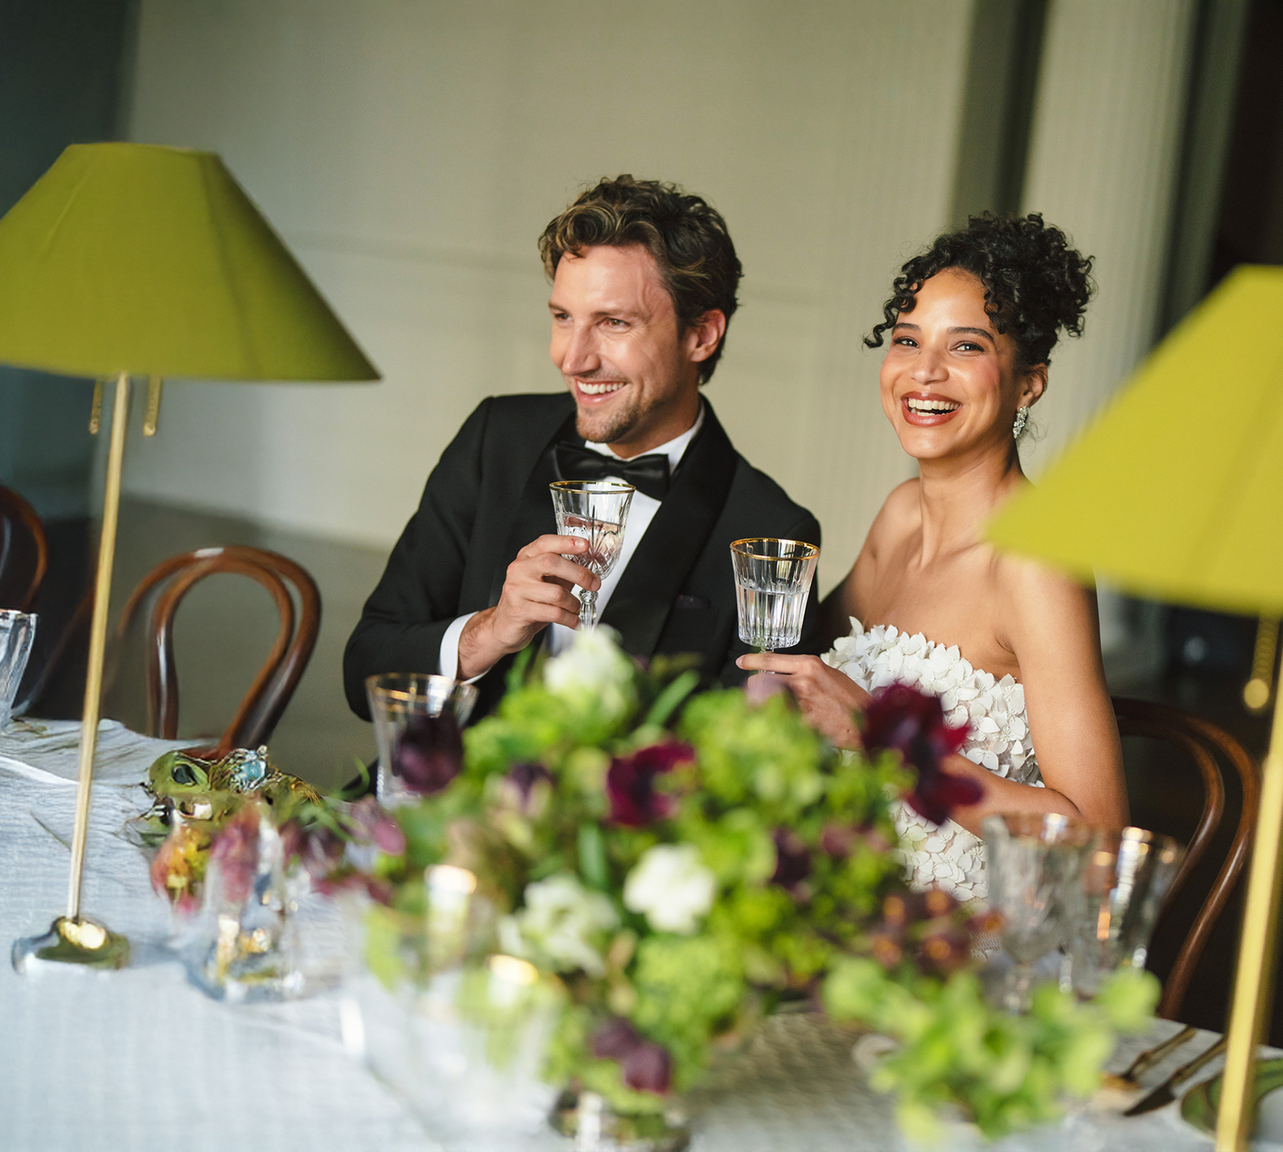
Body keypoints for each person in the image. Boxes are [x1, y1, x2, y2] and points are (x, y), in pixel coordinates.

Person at [738, 214, 1124, 903]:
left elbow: (1097, 844)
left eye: (966, 346)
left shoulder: (1035, 564)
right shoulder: (900, 515)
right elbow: (802, 667)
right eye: (907, 340)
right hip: (836, 901)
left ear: (1029, 383)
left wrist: (886, 740)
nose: (924, 372)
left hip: (953, 938)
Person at [345, 176, 821, 722]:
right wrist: (489, 631)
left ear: (701, 335)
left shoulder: (772, 530)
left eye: (613, 323)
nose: (572, 359)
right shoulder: (495, 438)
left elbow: (746, 750)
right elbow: (364, 672)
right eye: (562, 317)